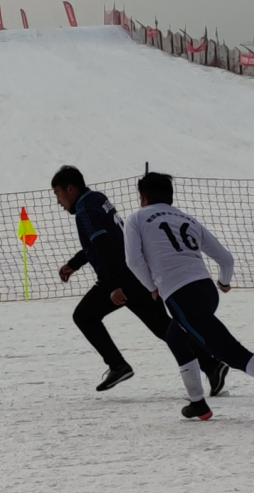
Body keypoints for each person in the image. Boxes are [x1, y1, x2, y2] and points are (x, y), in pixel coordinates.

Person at [124, 172, 254, 421]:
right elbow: (226, 259)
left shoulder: (136, 218)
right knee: (175, 334)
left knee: (233, 354)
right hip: (206, 290)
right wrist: (223, 282)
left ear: (143, 197)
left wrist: (153, 287)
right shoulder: (186, 218)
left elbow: (133, 260)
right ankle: (198, 404)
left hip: (181, 295)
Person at [51, 166, 227, 394]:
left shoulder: (85, 210)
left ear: (70, 189)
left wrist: (113, 284)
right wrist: (75, 264)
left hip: (120, 275)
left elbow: (105, 246)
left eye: (57, 194)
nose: (58, 201)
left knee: (84, 316)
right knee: (163, 327)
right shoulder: (97, 199)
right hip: (137, 274)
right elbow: (110, 239)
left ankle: (117, 365)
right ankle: (212, 365)